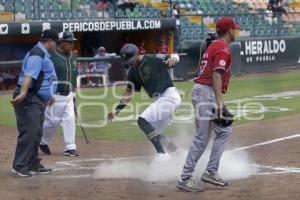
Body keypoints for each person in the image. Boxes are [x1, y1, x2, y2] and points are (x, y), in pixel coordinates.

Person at [176, 17, 240, 192]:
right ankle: (185, 177)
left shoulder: (215, 45)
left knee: (224, 130)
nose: (237, 31)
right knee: (202, 138)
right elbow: (217, 75)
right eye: (235, 29)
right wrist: (219, 102)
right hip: (206, 93)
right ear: (229, 31)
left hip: (204, 92)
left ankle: (211, 171)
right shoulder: (222, 48)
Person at [107, 44, 181, 158]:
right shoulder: (132, 72)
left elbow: (174, 55)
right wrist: (116, 110)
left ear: (137, 54)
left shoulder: (151, 59)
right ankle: (178, 153)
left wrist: (174, 58)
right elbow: (128, 92)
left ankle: (162, 155)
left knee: (142, 120)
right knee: (153, 134)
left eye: (130, 60)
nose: (129, 63)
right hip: (161, 100)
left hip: (169, 96)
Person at [10, 29, 59, 177]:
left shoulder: (41, 53)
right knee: (29, 132)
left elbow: (43, 77)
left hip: (36, 98)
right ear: (50, 41)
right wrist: (24, 93)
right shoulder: (37, 53)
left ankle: (32, 164)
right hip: (29, 98)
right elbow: (29, 76)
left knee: (36, 132)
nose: (56, 46)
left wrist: (49, 95)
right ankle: (19, 166)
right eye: (56, 42)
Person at [40, 31, 79, 157]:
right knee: (53, 122)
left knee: (70, 120)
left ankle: (70, 147)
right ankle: (41, 140)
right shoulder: (51, 56)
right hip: (55, 95)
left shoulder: (73, 56)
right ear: (61, 42)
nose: (72, 44)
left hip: (69, 94)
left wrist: (74, 95)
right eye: (69, 42)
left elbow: (74, 75)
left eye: (73, 42)